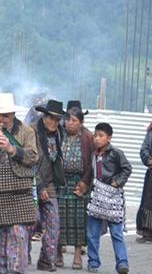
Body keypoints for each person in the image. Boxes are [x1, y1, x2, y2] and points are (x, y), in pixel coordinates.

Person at [0, 93, 38, 274]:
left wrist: (11, 149)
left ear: (13, 114)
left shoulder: (26, 131)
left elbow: (33, 157)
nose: (1, 119)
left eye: (5, 115)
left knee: (17, 243)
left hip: (20, 193)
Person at [86, 123, 131, 274]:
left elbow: (127, 168)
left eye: (101, 136)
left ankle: (122, 263)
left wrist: (117, 182)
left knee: (116, 233)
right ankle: (93, 262)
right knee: (92, 233)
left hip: (112, 197)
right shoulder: (93, 154)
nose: (97, 139)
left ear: (109, 138)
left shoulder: (116, 153)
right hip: (96, 198)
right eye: (95, 135)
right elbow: (90, 173)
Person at [57, 102, 95, 269]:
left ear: (81, 122)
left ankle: (78, 256)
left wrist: (85, 182)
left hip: (80, 183)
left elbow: (93, 163)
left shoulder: (88, 138)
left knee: (79, 222)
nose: (69, 123)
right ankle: (58, 253)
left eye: (73, 120)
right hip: (61, 182)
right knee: (59, 220)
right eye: (67, 120)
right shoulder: (59, 134)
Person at [32, 100, 66, 272]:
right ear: (44, 117)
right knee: (32, 221)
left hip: (51, 183)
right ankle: (24, 254)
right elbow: (28, 162)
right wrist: (39, 186)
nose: (54, 122)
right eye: (51, 118)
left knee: (54, 223)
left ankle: (46, 260)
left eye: (57, 119)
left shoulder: (60, 133)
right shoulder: (32, 131)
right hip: (31, 182)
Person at [137, 120, 152, 243]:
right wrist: (148, 160)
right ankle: (147, 231)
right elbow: (144, 148)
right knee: (148, 201)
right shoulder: (150, 131)